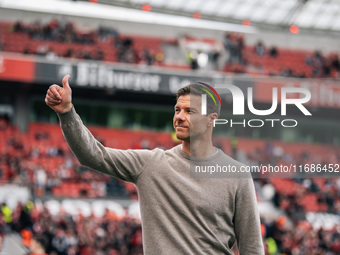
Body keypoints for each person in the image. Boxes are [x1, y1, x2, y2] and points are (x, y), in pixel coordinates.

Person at [45, 75, 264, 254]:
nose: (179, 116)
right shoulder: (150, 164)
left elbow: (252, 248)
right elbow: (92, 155)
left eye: (190, 111)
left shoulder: (237, 175)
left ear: (211, 119)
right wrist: (66, 113)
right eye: (177, 110)